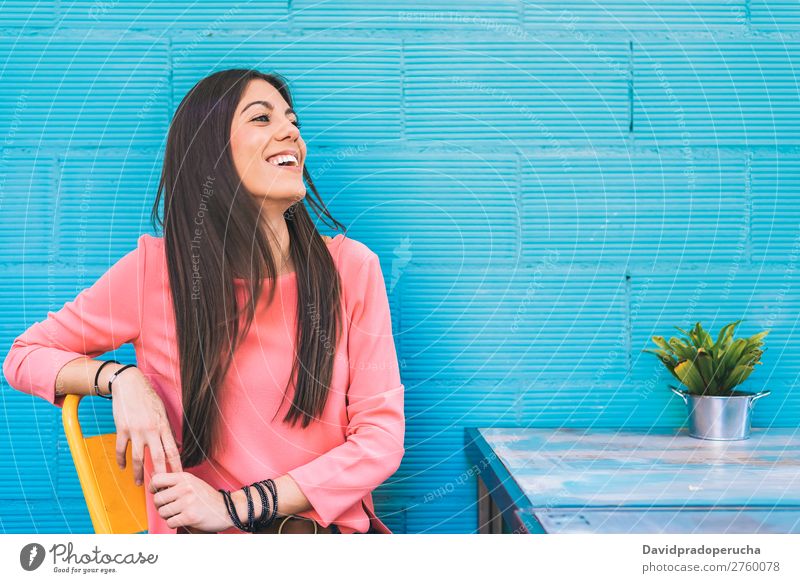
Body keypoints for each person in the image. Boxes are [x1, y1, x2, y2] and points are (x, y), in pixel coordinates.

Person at [3, 68, 405, 534]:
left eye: (292, 121)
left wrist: (237, 506)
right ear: (211, 153)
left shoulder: (352, 269)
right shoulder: (155, 272)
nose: (290, 131)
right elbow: (23, 356)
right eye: (261, 118)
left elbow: (379, 441)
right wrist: (121, 379)